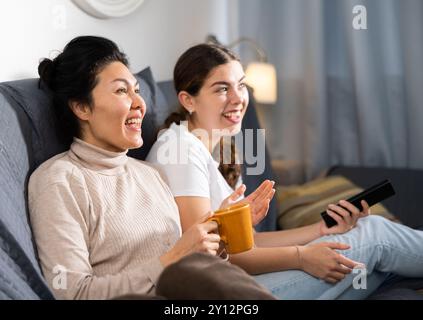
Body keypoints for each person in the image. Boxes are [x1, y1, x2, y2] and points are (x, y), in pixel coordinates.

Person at [146, 43, 423, 299]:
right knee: (373, 237)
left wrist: (319, 230)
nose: (237, 99)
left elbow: (248, 243)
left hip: (235, 278)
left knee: (371, 255)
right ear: (188, 100)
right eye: (221, 89)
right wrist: (301, 256)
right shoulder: (180, 149)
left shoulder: (221, 150)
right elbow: (202, 259)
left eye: (240, 86)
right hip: (218, 291)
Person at [28, 36, 274, 300]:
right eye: (122, 91)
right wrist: (174, 258)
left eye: (137, 90)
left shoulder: (151, 174)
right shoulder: (59, 180)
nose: (139, 103)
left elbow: (194, 264)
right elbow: (71, 293)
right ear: (81, 107)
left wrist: (221, 231)